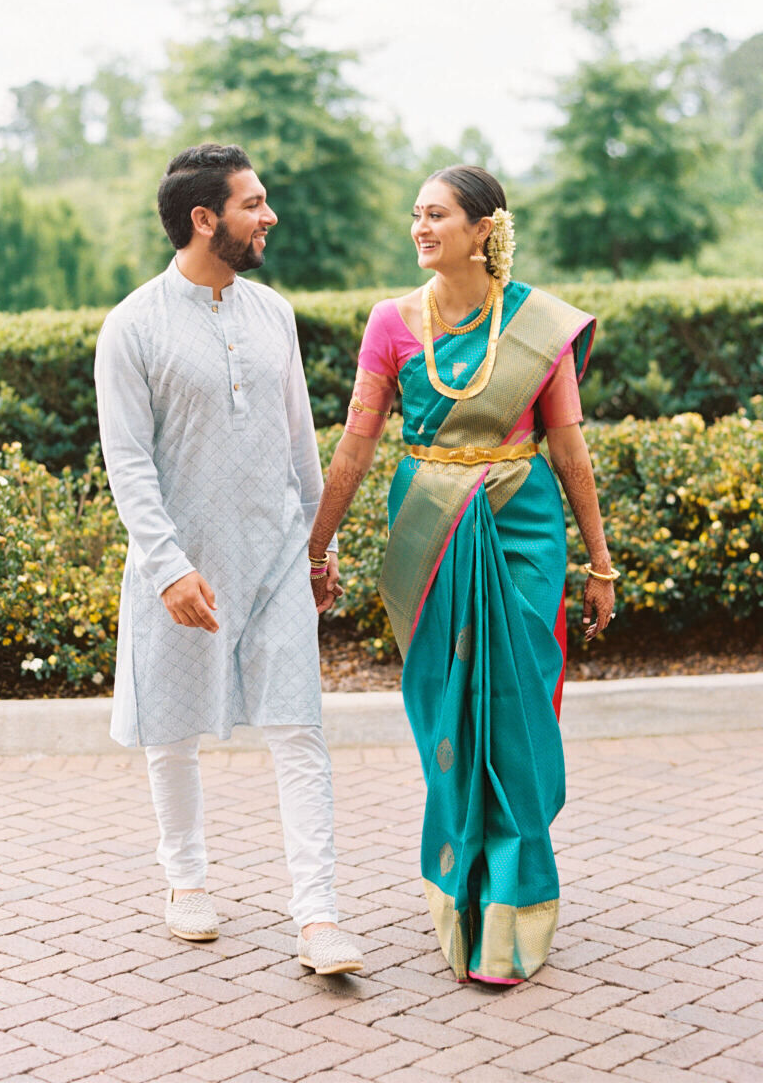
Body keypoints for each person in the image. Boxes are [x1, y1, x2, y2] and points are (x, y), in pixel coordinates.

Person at [308, 165, 616, 984]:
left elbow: (570, 450)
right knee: (448, 708)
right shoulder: (390, 322)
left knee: (515, 708)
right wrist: (318, 546)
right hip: (428, 533)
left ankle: (514, 902)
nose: (420, 227)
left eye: (437, 214)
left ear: (486, 228)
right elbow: (356, 445)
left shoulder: (538, 326)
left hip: (522, 526)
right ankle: (459, 886)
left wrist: (600, 561)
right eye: (416, 214)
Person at [94, 143, 362, 976]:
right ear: (204, 219)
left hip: (277, 555)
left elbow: (298, 443)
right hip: (181, 567)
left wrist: (318, 547)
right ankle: (186, 882)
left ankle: (317, 915)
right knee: (172, 730)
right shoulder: (133, 325)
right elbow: (128, 461)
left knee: (299, 729)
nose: (269, 216)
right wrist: (168, 567)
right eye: (254, 204)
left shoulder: (273, 313)